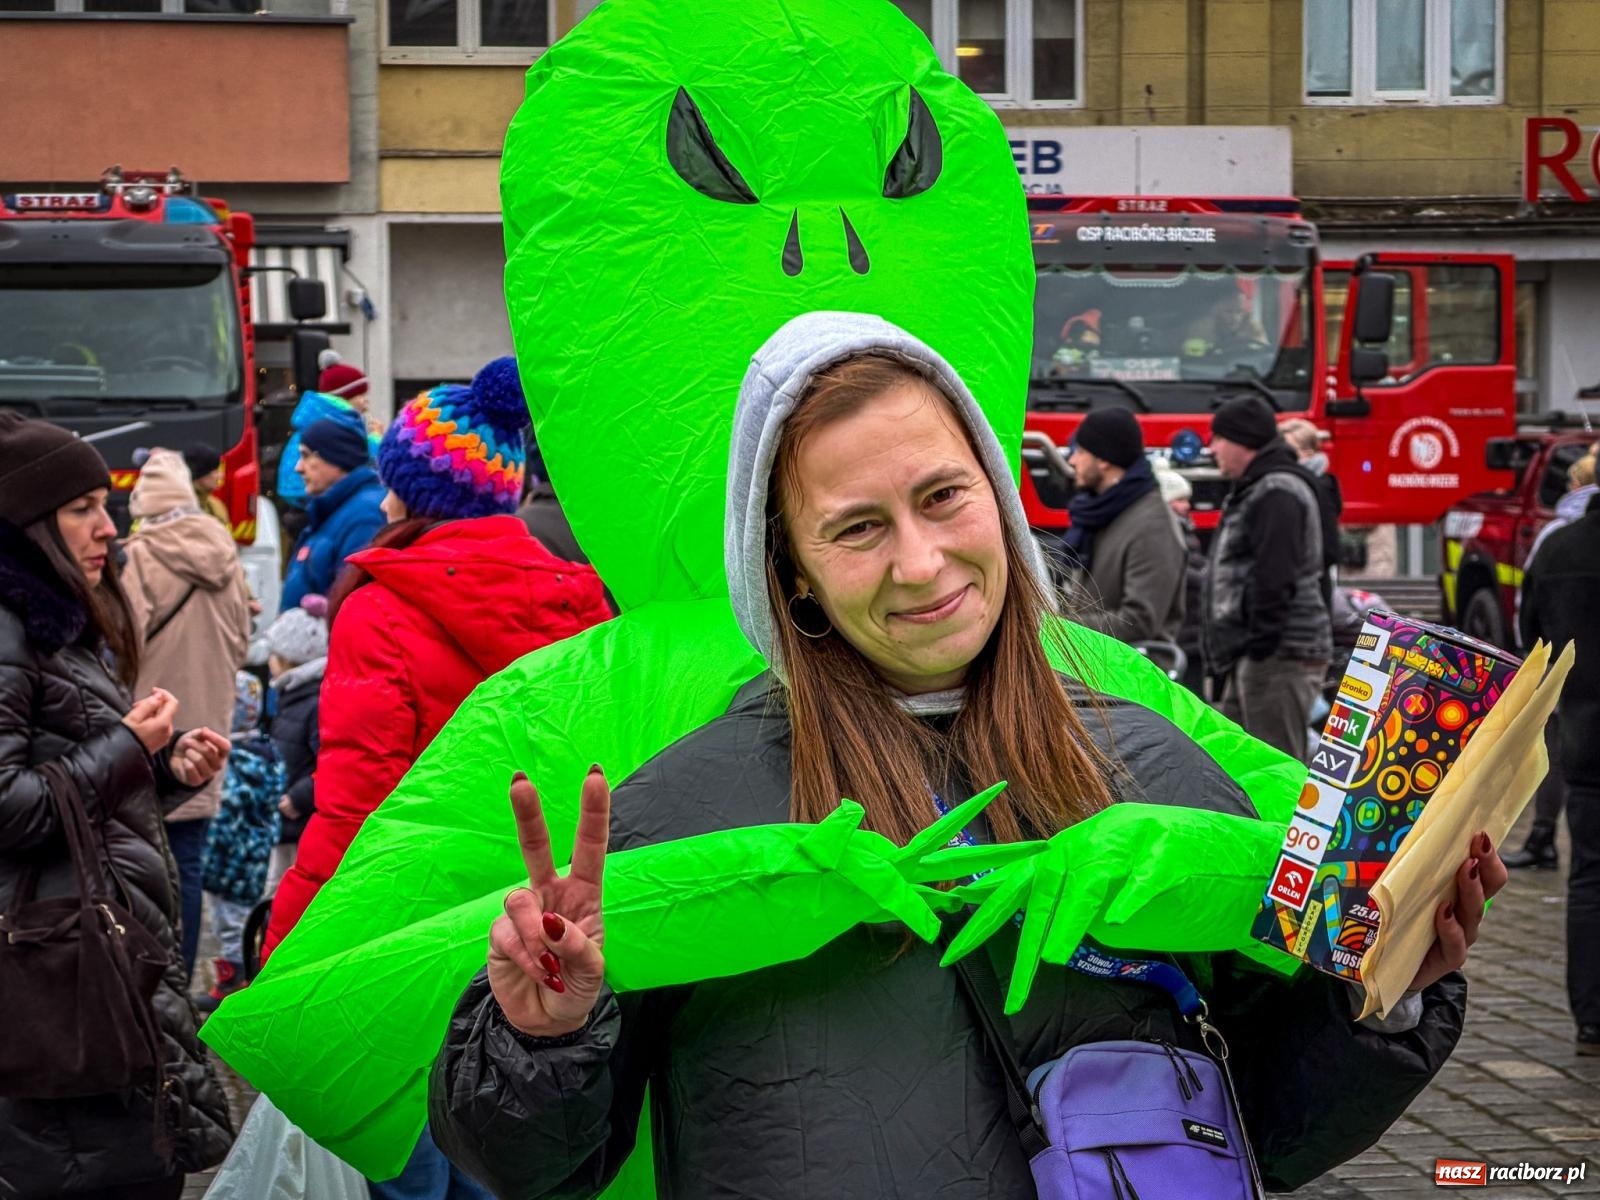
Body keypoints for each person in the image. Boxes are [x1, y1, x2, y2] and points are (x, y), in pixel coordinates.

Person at [430, 315, 1495, 1198]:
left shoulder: (1154, 764)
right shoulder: (685, 810)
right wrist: (541, 1041)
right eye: (855, 528)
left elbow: (1273, 1123)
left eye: (943, 496)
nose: (922, 562)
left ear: (995, 494)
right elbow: (536, 1167)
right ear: (791, 573)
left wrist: (1385, 991)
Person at [264, 357, 611, 1199]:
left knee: (413, 1164)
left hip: (411, 941)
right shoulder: (584, 602)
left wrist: (291, 949)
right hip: (536, 932)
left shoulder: (383, 609)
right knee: (510, 1157)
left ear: (412, 493)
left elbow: (357, 807)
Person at [0, 411, 235, 1197]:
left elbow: (65, 796)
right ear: (26, 523)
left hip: (92, 969)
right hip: (56, 982)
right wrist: (129, 750)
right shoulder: (11, 629)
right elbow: (7, 808)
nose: (111, 526)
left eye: (108, 504)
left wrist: (163, 773)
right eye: (83, 510)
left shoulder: (60, 623)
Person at [121, 449, 254, 979]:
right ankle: (179, 977)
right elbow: (244, 642)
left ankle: (148, 980)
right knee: (189, 867)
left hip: (151, 732)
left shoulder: (138, 558)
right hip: (209, 735)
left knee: (142, 869)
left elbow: (121, 645)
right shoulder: (224, 552)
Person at [1203, 396, 1333, 762]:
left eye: (1218, 439)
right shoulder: (1261, 487)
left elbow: (1276, 576)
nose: (1212, 449)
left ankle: (1279, 824)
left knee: (1272, 765)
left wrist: (1260, 645)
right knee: (1237, 763)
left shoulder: (1276, 491)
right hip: (1259, 653)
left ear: (1242, 441)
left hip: (1276, 655)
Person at [1519, 487, 1600, 1055]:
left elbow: (1533, 646)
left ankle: (1592, 1021)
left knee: (1590, 880)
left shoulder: (1557, 550)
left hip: (1587, 739)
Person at [1506, 446, 1597, 870]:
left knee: (1587, 874)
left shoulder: (1558, 539)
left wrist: (1542, 661)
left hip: (1573, 689)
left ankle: (1542, 835)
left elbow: (1530, 610)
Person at [196, 672, 284, 1013]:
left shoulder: (242, 759)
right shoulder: (263, 752)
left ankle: (234, 982)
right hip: (240, 858)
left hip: (233, 859)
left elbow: (230, 806)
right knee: (227, 920)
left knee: (231, 923)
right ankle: (235, 976)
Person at [1059, 407, 1185, 644]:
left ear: (1104, 459)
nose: (1072, 460)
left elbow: (1139, 622)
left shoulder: (1153, 527)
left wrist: (1059, 627)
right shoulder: (1104, 512)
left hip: (1132, 674)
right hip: (1097, 668)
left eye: (1081, 450)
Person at [278, 417, 386, 612]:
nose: (298, 468)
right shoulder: (334, 510)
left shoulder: (365, 517)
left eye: (306, 455)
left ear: (336, 457)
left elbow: (355, 607)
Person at [262, 601, 329, 863]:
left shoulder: (313, 703)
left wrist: (300, 797)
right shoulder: (292, 694)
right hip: (286, 818)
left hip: (299, 818)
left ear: (287, 659)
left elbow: (329, 761)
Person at [275, 351, 376, 516]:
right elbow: (360, 459)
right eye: (361, 395)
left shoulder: (316, 419)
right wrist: (376, 441)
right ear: (344, 397)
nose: (366, 401)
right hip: (318, 496)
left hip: (301, 499)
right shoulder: (340, 423)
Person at [1155, 457, 1207, 694]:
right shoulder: (1174, 533)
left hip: (1190, 631)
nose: (1187, 506)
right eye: (1180, 499)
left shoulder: (1183, 529)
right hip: (1186, 632)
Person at [1280, 417, 1343, 605]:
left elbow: (1327, 546)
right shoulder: (1322, 483)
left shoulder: (1315, 487)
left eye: (1289, 451)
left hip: (1309, 583)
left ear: (1308, 452)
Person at [182, 443, 230, 527]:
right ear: (200, 474)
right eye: (215, 471)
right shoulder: (179, 509)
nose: (220, 475)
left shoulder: (217, 507)